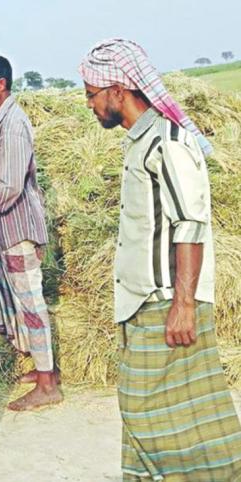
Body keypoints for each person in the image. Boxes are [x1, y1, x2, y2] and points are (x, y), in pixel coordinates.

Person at [79, 38, 241, 480]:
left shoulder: (167, 143)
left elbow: (190, 224)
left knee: (145, 408)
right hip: (142, 303)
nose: (89, 105)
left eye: (92, 94)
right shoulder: (140, 141)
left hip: (167, 301)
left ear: (118, 91)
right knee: (161, 413)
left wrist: (183, 305)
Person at [0, 54, 62, 411]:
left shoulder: (12, 125)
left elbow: (8, 189)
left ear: (1, 84)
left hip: (17, 229)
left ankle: (48, 385)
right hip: (3, 232)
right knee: (19, 304)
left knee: (31, 304)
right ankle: (41, 369)